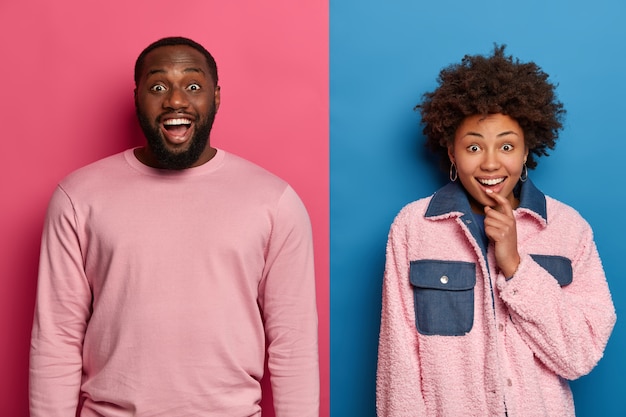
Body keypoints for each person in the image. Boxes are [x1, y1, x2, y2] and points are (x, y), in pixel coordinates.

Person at [29, 36, 319, 417]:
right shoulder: (77, 196)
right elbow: (57, 338)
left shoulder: (275, 201)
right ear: (138, 97)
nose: (176, 100)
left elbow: (293, 342)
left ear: (216, 97)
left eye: (193, 86)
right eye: (158, 86)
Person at [376, 45, 616, 416]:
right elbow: (399, 364)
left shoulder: (569, 229)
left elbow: (581, 354)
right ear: (452, 152)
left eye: (506, 145)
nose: (490, 163)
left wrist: (516, 266)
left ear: (525, 152)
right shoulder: (413, 227)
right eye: (474, 146)